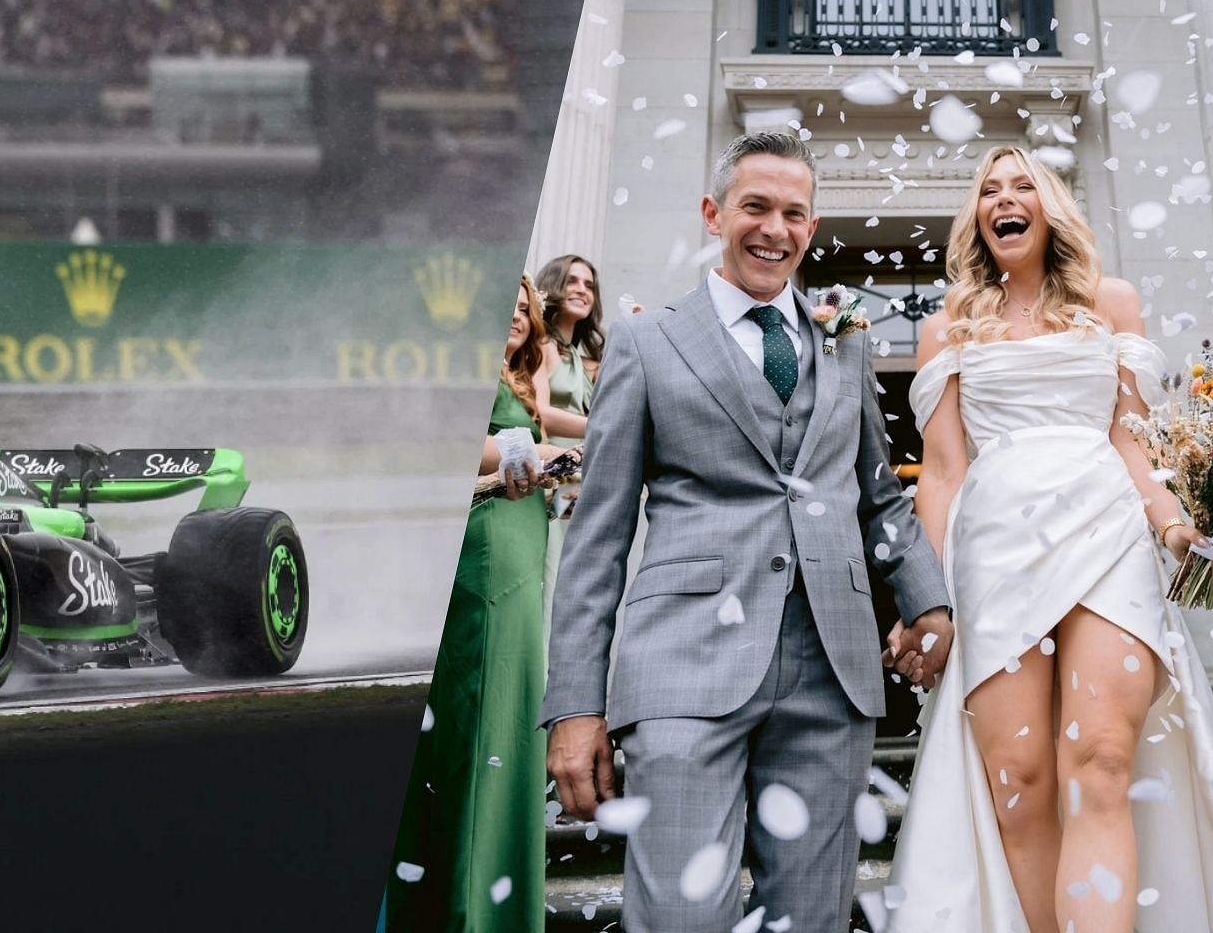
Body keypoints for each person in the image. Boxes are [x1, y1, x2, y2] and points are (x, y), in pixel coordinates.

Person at [545, 131, 953, 932]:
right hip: (680, 666)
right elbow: (597, 539)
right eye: (756, 207)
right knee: (678, 916)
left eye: (794, 213)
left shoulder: (846, 342)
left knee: (809, 919)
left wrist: (928, 601)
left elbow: (879, 495)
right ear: (713, 214)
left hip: (830, 670)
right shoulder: (645, 341)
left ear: (812, 226)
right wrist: (574, 707)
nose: (775, 228)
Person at [886, 146, 1213, 932]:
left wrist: (1176, 528)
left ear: (1050, 204)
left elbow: (1132, 440)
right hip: (994, 548)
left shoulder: (1111, 302)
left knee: (1099, 762)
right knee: (1020, 781)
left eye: (1022, 184)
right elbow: (942, 473)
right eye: (988, 190)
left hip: (1106, 535)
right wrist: (921, 598)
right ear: (977, 221)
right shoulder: (947, 328)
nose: (1005, 198)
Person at [381, 275, 563, 932]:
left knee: (509, 730)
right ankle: (466, 910)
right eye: (502, 306)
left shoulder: (515, 377)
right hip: (481, 569)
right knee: (478, 732)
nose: (516, 317)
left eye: (523, 308)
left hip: (518, 566)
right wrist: (529, 451)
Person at [532, 253, 601, 638]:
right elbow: (541, 412)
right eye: (572, 281)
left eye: (589, 285)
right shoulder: (541, 342)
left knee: (573, 577)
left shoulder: (582, 355)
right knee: (552, 570)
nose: (581, 290)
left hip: (580, 478)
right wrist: (599, 428)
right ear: (554, 287)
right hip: (552, 474)